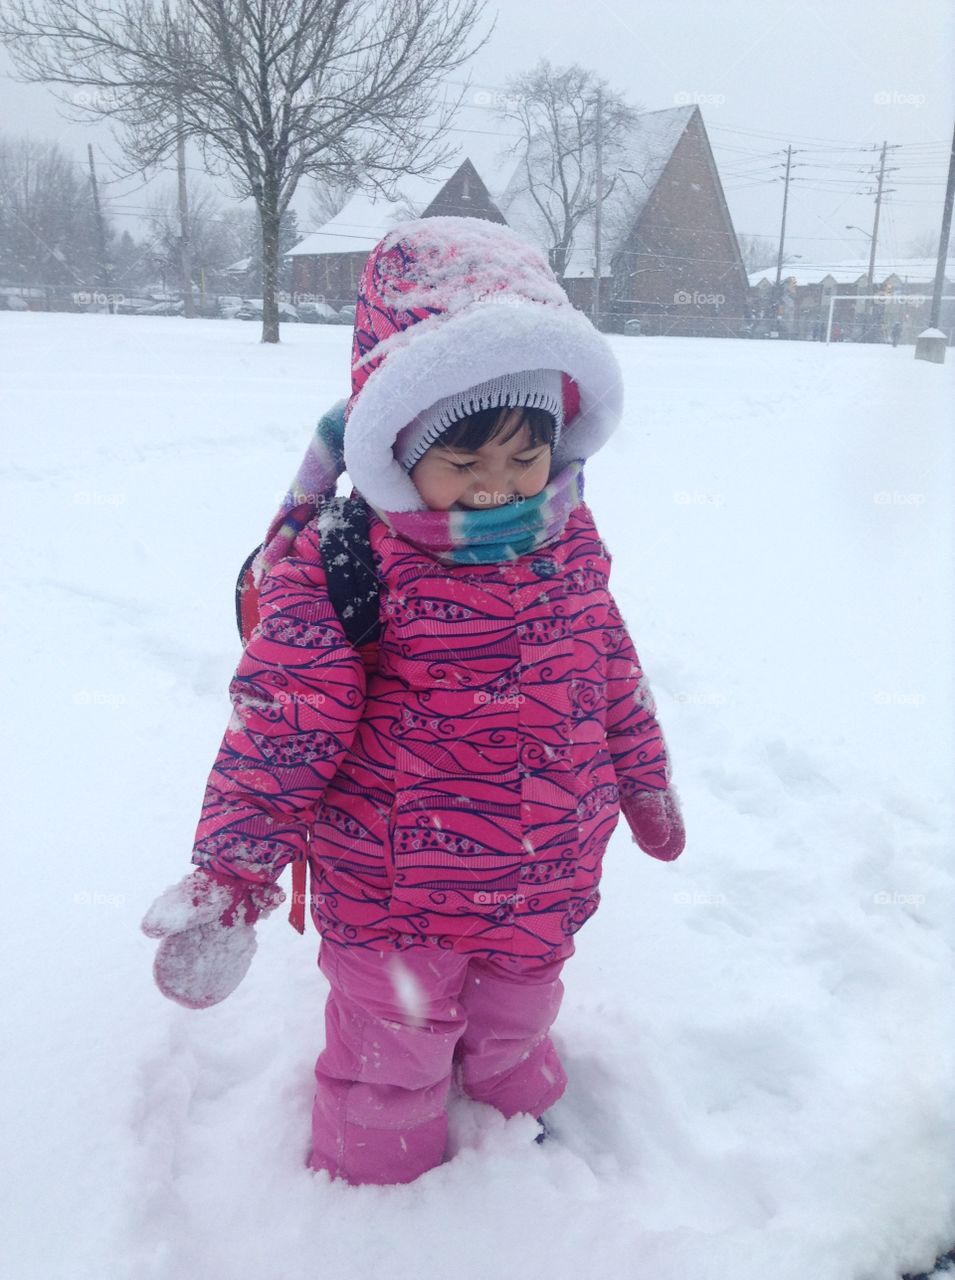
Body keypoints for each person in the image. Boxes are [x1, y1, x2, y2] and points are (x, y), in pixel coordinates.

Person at [140, 216, 685, 1186]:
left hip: (548, 871)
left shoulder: (568, 542)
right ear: (396, 445)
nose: (497, 488)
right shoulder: (345, 565)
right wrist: (234, 874)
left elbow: (609, 668)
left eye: (522, 457)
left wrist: (642, 776)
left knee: (519, 1015)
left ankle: (511, 1097)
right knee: (390, 1047)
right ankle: (378, 1191)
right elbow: (281, 727)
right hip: (395, 890)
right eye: (464, 465)